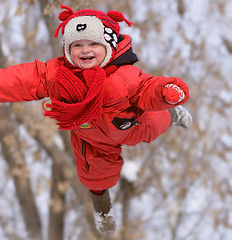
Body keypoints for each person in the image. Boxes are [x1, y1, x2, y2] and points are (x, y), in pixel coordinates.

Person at [0, 5, 192, 235]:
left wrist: (166, 91)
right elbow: (23, 80)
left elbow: (148, 86)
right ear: (68, 50)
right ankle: (102, 205)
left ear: (109, 47)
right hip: (92, 137)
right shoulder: (59, 76)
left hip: (131, 123)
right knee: (94, 174)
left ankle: (173, 113)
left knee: (156, 122)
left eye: (93, 44)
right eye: (77, 45)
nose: (85, 50)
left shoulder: (124, 78)